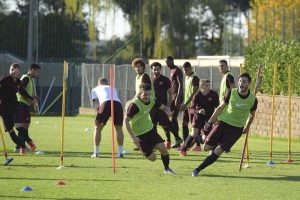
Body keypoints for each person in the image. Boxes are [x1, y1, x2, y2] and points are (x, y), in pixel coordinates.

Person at [191, 73, 258, 177]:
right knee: (206, 147)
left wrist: (247, 127)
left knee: (218, 150)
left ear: (249, 84)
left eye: (244, 82)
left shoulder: (253, 100)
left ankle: (197, 169)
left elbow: (252, 115)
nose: (241, 83)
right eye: (240, 81)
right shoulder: (231, 93)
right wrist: (209, 122)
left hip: (236, 130)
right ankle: (201, 138)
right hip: (222, 123)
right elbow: (219, 108)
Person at [124, 83, 175, 174]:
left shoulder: (152, 100)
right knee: (153, 158)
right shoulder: (134, 106)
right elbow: (126, 121)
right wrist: (133, 137)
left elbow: (163, 107)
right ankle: (143, 148)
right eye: (145, 95)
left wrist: (168, 111)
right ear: (140, 94)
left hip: (149, 129)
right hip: (139, 134)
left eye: (148, 94)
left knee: (163, 149)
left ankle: (167, 169)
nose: (147, 96)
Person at [0, 63, 36, 155]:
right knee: (10, 131)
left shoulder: (18, 82)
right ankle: (22, 147)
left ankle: (28, 142)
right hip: (4, 109)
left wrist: (31, 98)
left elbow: (22, 91)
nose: (13, 71)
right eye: (12, 69)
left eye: (15, 70)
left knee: (18, 126)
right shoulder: (4, 79)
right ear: (9, 70)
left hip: (15, 107)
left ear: (19, 72)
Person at [180, 79, 219, 157]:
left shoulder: (214, 94)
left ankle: (201, 141)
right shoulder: (197, 95)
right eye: (206, 85)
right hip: (198, 117)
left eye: (209, 85)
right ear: (202, 86)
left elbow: (218, 108)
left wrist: (216, 118)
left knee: (207, 138)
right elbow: (191, 109)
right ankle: (183, 150)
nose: (208, 87)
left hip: (209, 118)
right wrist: (198, 111)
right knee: (193, 133)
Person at [150, 62, 183, 149]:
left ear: (160, 69)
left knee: (166, 124)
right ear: (152, 70)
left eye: (157, 69)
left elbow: (170, 93)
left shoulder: (165, 80)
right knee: (153, 124)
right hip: (153, 106)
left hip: (162, 106)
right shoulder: (150, 80)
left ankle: (175, 138)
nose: (156, 71)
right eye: (154, 69)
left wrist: (168, 104)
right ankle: (156, 143)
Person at [90, 77, 124, 158]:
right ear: (107, 83)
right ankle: (120, 153)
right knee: (119, 129)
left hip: (105, 103)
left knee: (97, 128)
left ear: (98, 84)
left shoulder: (95, 89)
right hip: (118, 104)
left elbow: (97, 104)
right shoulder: (112, 88)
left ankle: (96, 153)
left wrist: (99, 116)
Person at [15, 64, 41, 153]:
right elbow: (20, 89)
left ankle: (20, 146)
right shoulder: (26, 78)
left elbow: (24, 90)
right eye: (37, 72)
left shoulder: (28, 78)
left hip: (24, 105)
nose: (37, 74)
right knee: (24, 127)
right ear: (31, 70)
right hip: (21, 105)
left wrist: (33, 96)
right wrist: (31, 98)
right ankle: (25, 146)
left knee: (24, 127)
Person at [179, 62, 199, 151]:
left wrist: (185, 104)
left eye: (186, 70)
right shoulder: (187, 77)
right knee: (184, 123)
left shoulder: (195, 78)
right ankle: (185, 145)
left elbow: (194, 93)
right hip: (187, 106)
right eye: (184, 70)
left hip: (193, 107)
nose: (185, 72)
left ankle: (198, 146)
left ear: (190, 68)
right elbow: (187, 92)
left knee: (195, 126)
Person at [165, 56, 183, 148]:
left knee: (173, 118)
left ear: (172, 61)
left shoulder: (177, 70)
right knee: (172, 118)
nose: (166, 63)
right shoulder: (171, 70)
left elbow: (180, 84)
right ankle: (177, 140)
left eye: (167, 61)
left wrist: (177, 98)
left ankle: (177, 140)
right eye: (165, 62)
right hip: (174, 97)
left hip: (177, 97)